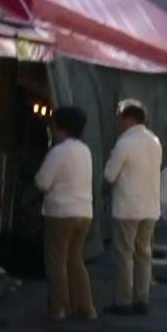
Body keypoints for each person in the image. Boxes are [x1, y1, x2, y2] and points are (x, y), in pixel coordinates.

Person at [34, 106, 96, 321]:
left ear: (60, 127)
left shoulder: (58, 152)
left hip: (60, 212)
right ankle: (86, 307)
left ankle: (58, 307)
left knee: (56, 260)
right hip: (84, 211)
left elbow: (42, 182)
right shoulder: (85, 150)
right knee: (75, 260)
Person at [104, 99, 162, 316]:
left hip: (127, 207)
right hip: (150, 206)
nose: (118, 122)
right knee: (143, 254)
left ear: (129, 119)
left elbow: (109, 175)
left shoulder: (124, 143)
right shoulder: (155, 141)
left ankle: (123, 301)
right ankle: (142, 298)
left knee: (124, 254)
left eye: (120, 118)